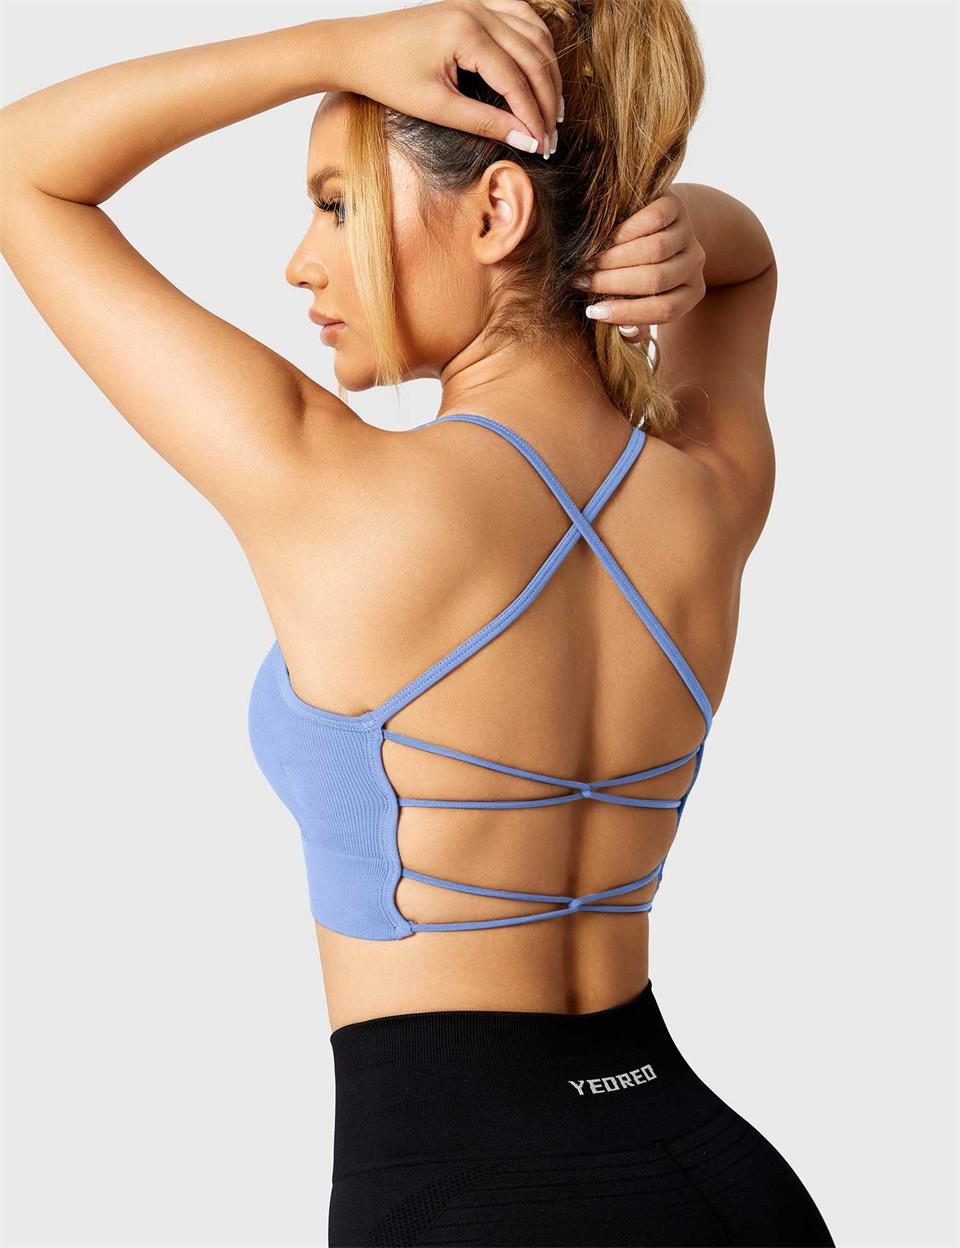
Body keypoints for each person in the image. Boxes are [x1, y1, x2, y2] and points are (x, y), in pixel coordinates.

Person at [0, 1, 836, 1244]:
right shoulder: (706, 492)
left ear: (497, 212)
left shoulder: (330, 489)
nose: (302, 262)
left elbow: (22, 167)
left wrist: (332, 48)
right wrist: (685, 230)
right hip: (722, 1178)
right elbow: (749, 268)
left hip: (471, 1201)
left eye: (336, 204)